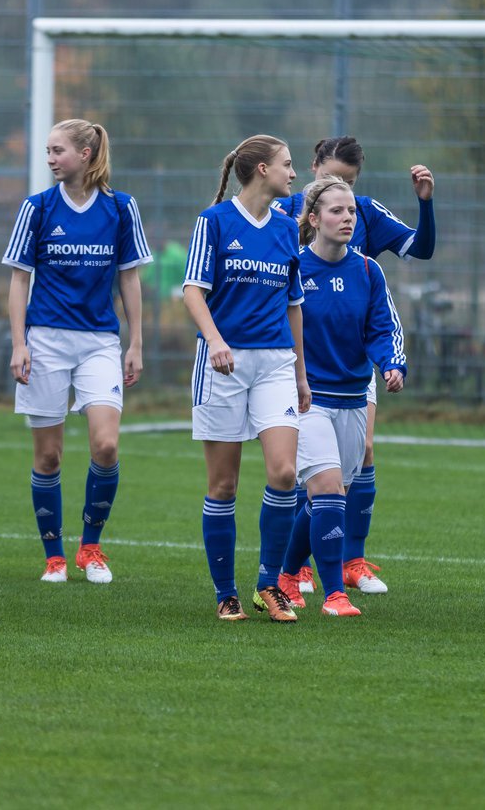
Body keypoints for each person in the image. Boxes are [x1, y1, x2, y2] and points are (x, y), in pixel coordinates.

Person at [274, 136, 436, 596]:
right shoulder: (286, 228)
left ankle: (335, 562)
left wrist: (392, 363)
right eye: (332, 187)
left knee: (351, 469)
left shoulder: (366, 249)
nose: (344, 205)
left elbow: (413, 260)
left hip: (353, 373)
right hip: (302, 383)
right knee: (322, 484)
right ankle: (328, 588)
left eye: (348, 188)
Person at [3, 118, 152, 584]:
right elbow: (18, 279)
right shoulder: (38, 208)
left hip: (100, 343)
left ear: (85, 154)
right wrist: (19, 343)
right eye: (47, 151)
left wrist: (136, 342)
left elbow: (129, 276)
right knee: (48, 458)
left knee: (106, 445)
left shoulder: (121, 208)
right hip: (45, 340)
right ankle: (54, 555)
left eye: (57, 151)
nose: (50, 159)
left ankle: (91, 546)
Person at [184, 134, 310, 622]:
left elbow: (294, 306)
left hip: (276, 363)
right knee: (224, 486)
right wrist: (216, 341)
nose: (293, 174)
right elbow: (193, 290)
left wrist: (301, 374)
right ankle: (225, 592)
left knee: (283, 474)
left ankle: (267, 585)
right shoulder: (213, 222)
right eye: (287, 165)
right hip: (223, 364)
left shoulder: (285, 228)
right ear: (261, 170)